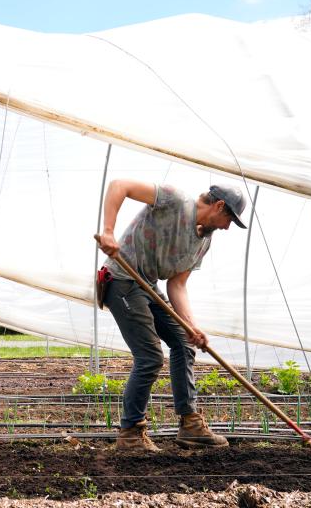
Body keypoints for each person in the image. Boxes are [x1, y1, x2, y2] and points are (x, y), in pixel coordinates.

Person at [93, 180, 246, 452]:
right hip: (121, 279)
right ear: (219, 206)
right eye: (229, 219)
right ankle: (130, 433)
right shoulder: (174, 199)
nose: (226, 226)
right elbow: (120, 186)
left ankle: (190, 425)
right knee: (150, 356)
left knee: (184, 341)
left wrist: (191, 327)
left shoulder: (203, 243)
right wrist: (108, 231)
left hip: (148, 286)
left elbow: (177, 284)